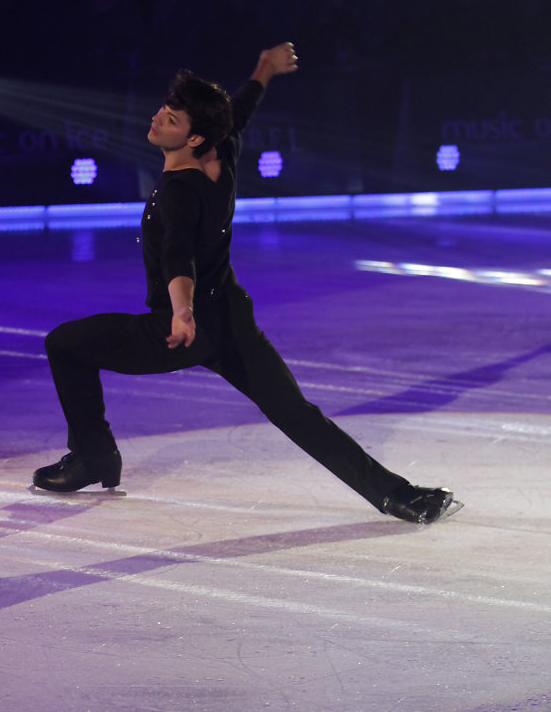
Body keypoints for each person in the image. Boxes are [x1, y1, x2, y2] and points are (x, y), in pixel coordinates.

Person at [33, 43, 459, 524]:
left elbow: (178, 257)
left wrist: (181, 311)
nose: (157, 119)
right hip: (232, 322)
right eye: (164, 109)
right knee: (296, 414)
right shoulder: (223, 151)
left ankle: (93, 457)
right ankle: (396, 495)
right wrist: (266, 68)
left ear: (194, 139)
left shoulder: (179, 194)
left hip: (180, 329)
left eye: (171, 119)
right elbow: (240, 109)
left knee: (64, 344)